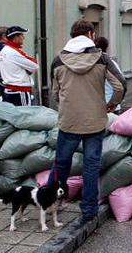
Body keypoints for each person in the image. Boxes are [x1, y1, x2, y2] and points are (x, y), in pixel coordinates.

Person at [49, 20, 125, 222]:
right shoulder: (102, 59)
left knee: (61, 162)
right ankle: (89, 209)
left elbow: (55, 92)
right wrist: (111, 104)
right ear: (90, 34)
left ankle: (50, 201)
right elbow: (120, 85)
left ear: (72, 35)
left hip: (69, 121)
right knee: (91, 165)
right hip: (95, 120)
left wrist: (64, 106)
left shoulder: (58, 61)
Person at [0, 26, 39, 106]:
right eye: (21, 35)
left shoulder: (4, 50)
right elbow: (34, 65)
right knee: (24, 116)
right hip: (19, 90)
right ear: (15, 37)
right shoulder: (14, 52)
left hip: (9, 89)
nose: (23, 37)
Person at [93, 36, 123, 112]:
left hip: (98, 105)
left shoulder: (92, 64)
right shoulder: (112, 64)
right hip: (112, 105)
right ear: (107, 47)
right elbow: (121, 84)